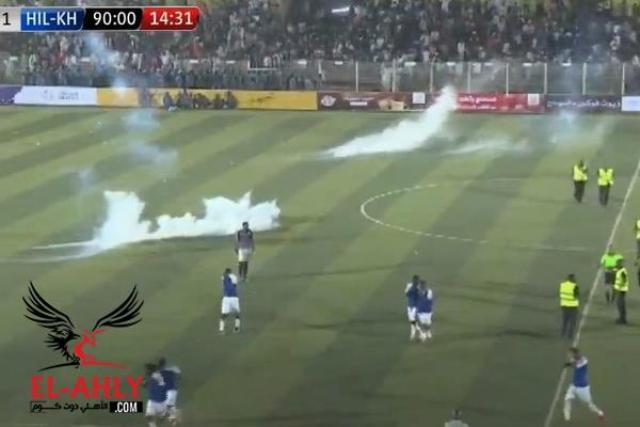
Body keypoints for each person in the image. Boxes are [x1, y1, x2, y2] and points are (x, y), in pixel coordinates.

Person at [563, 347, 605, 422]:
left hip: (583, 388)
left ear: (575, 353)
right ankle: (567, 417)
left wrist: (568, 364)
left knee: (589, 404)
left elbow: (575, 365)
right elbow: (572, 364)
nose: (570, 355)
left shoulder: (584, 360)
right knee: (567, 399)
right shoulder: (573, 360)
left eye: (571, 353)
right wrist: (568, 363)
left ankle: (599, 413)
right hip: (573, 385)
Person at [158, 358, 181, 426]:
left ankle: (167, 415)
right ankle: (173, 419)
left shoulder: (160, 372)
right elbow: (178, 373)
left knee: (167, 405)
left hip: (169, 391)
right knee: (171, 405)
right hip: (174, 390)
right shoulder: (171, 369)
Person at [144, 363, 167, 427]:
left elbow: (162, 386)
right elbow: (146, 385)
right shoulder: (151, 376)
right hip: (152, 401)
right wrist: (145, 383)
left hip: (160, 402)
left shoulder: (158, 377)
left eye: (148, 370)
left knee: (161, 418)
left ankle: (164, 415)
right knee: (149, 416)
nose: (147, 372)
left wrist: (146, 383)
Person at [219, 268, 241, 334]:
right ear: (231, 272)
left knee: (223, 314)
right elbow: (234, 286)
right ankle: (236, 328)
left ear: (226, 272)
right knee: (237, 314)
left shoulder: (224, 276)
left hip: (227, 298)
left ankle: (221, 330)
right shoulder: (234, 277)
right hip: (234, 297)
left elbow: (223, 279)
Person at [559, 274, 579, 340]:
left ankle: (563, 333)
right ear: (572, 279)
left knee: (565, 321)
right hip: (572, 306)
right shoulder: (575, 286)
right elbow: (576, 296)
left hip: (564, 306)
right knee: (572, 322)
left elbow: (561, 294)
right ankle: (570, 335)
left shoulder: (562, 285)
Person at [613, 259, 629, 324]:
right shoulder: (619, 270)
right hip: (619, 289)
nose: (616, 265)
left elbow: (624, 280)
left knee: (621, 304)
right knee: (619, 304)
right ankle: (621, 318)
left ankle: (622, 319)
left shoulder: (622, 271)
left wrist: (619, 288)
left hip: (621, 290)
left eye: (618, 264)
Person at [405, 275, 420, 341]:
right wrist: (412, 289)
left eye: (417, 280)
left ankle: (413, 333)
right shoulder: (409, 285)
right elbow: (406, 294)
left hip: (416, 306)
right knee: (411, 319)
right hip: (409, 305)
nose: (417, 282)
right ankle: (418, 329)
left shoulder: (419, 287)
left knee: (412, 319)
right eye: (415, 280)